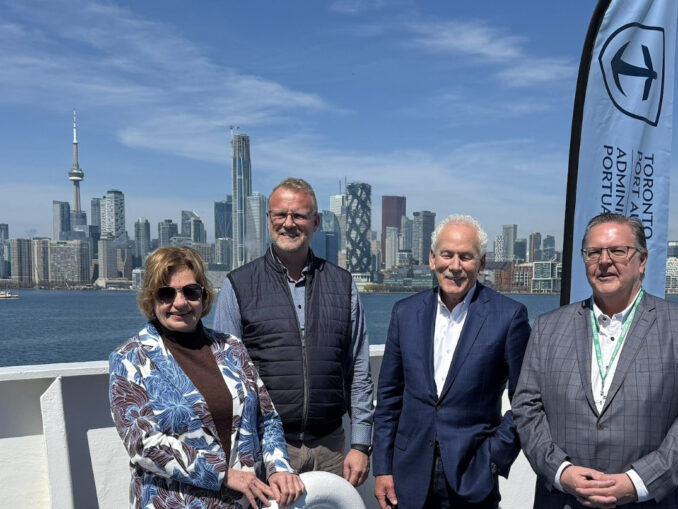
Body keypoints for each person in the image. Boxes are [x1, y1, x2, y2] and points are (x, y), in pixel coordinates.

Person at [109, 246, 304, 508]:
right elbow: (143, 444)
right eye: (166, 294)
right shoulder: (130, 358)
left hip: (243, 502)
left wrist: (278, 466)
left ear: (203, 295)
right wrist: (224, 475)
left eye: (190, 292)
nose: (180, 303)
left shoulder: (231, 347)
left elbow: (267, 419)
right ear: (150, 299)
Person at [213, 177, 374, 487]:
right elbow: (228, 379)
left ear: (315, 222)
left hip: (331, 448)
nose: (288, 223)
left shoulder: (342, 285)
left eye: (299, 215)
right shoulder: (239, 285)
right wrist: (245, 456)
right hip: (269, 451)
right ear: (269, 219)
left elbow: (360, 372)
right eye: (280, 215)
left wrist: (361, 444)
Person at [514, 212, 678, 508]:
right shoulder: (548, 327)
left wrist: (639, 482)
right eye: (593, 253)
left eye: (618, 251)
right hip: (562, 500)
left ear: (641, 261)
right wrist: (561, 472)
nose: (604, 260)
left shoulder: (674, 327)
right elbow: (526, 407)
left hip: (649, 502)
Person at [373, 214, 531, 509]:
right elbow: (389, 398)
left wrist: (494, 458)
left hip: (473, 474)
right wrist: (382, 466)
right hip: (408, 474)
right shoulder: (404, 313)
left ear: (481, 263)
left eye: (466, 257)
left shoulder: (508, 317)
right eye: (447, 255)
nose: (455, 266)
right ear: (433, 259)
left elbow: (526, 399)